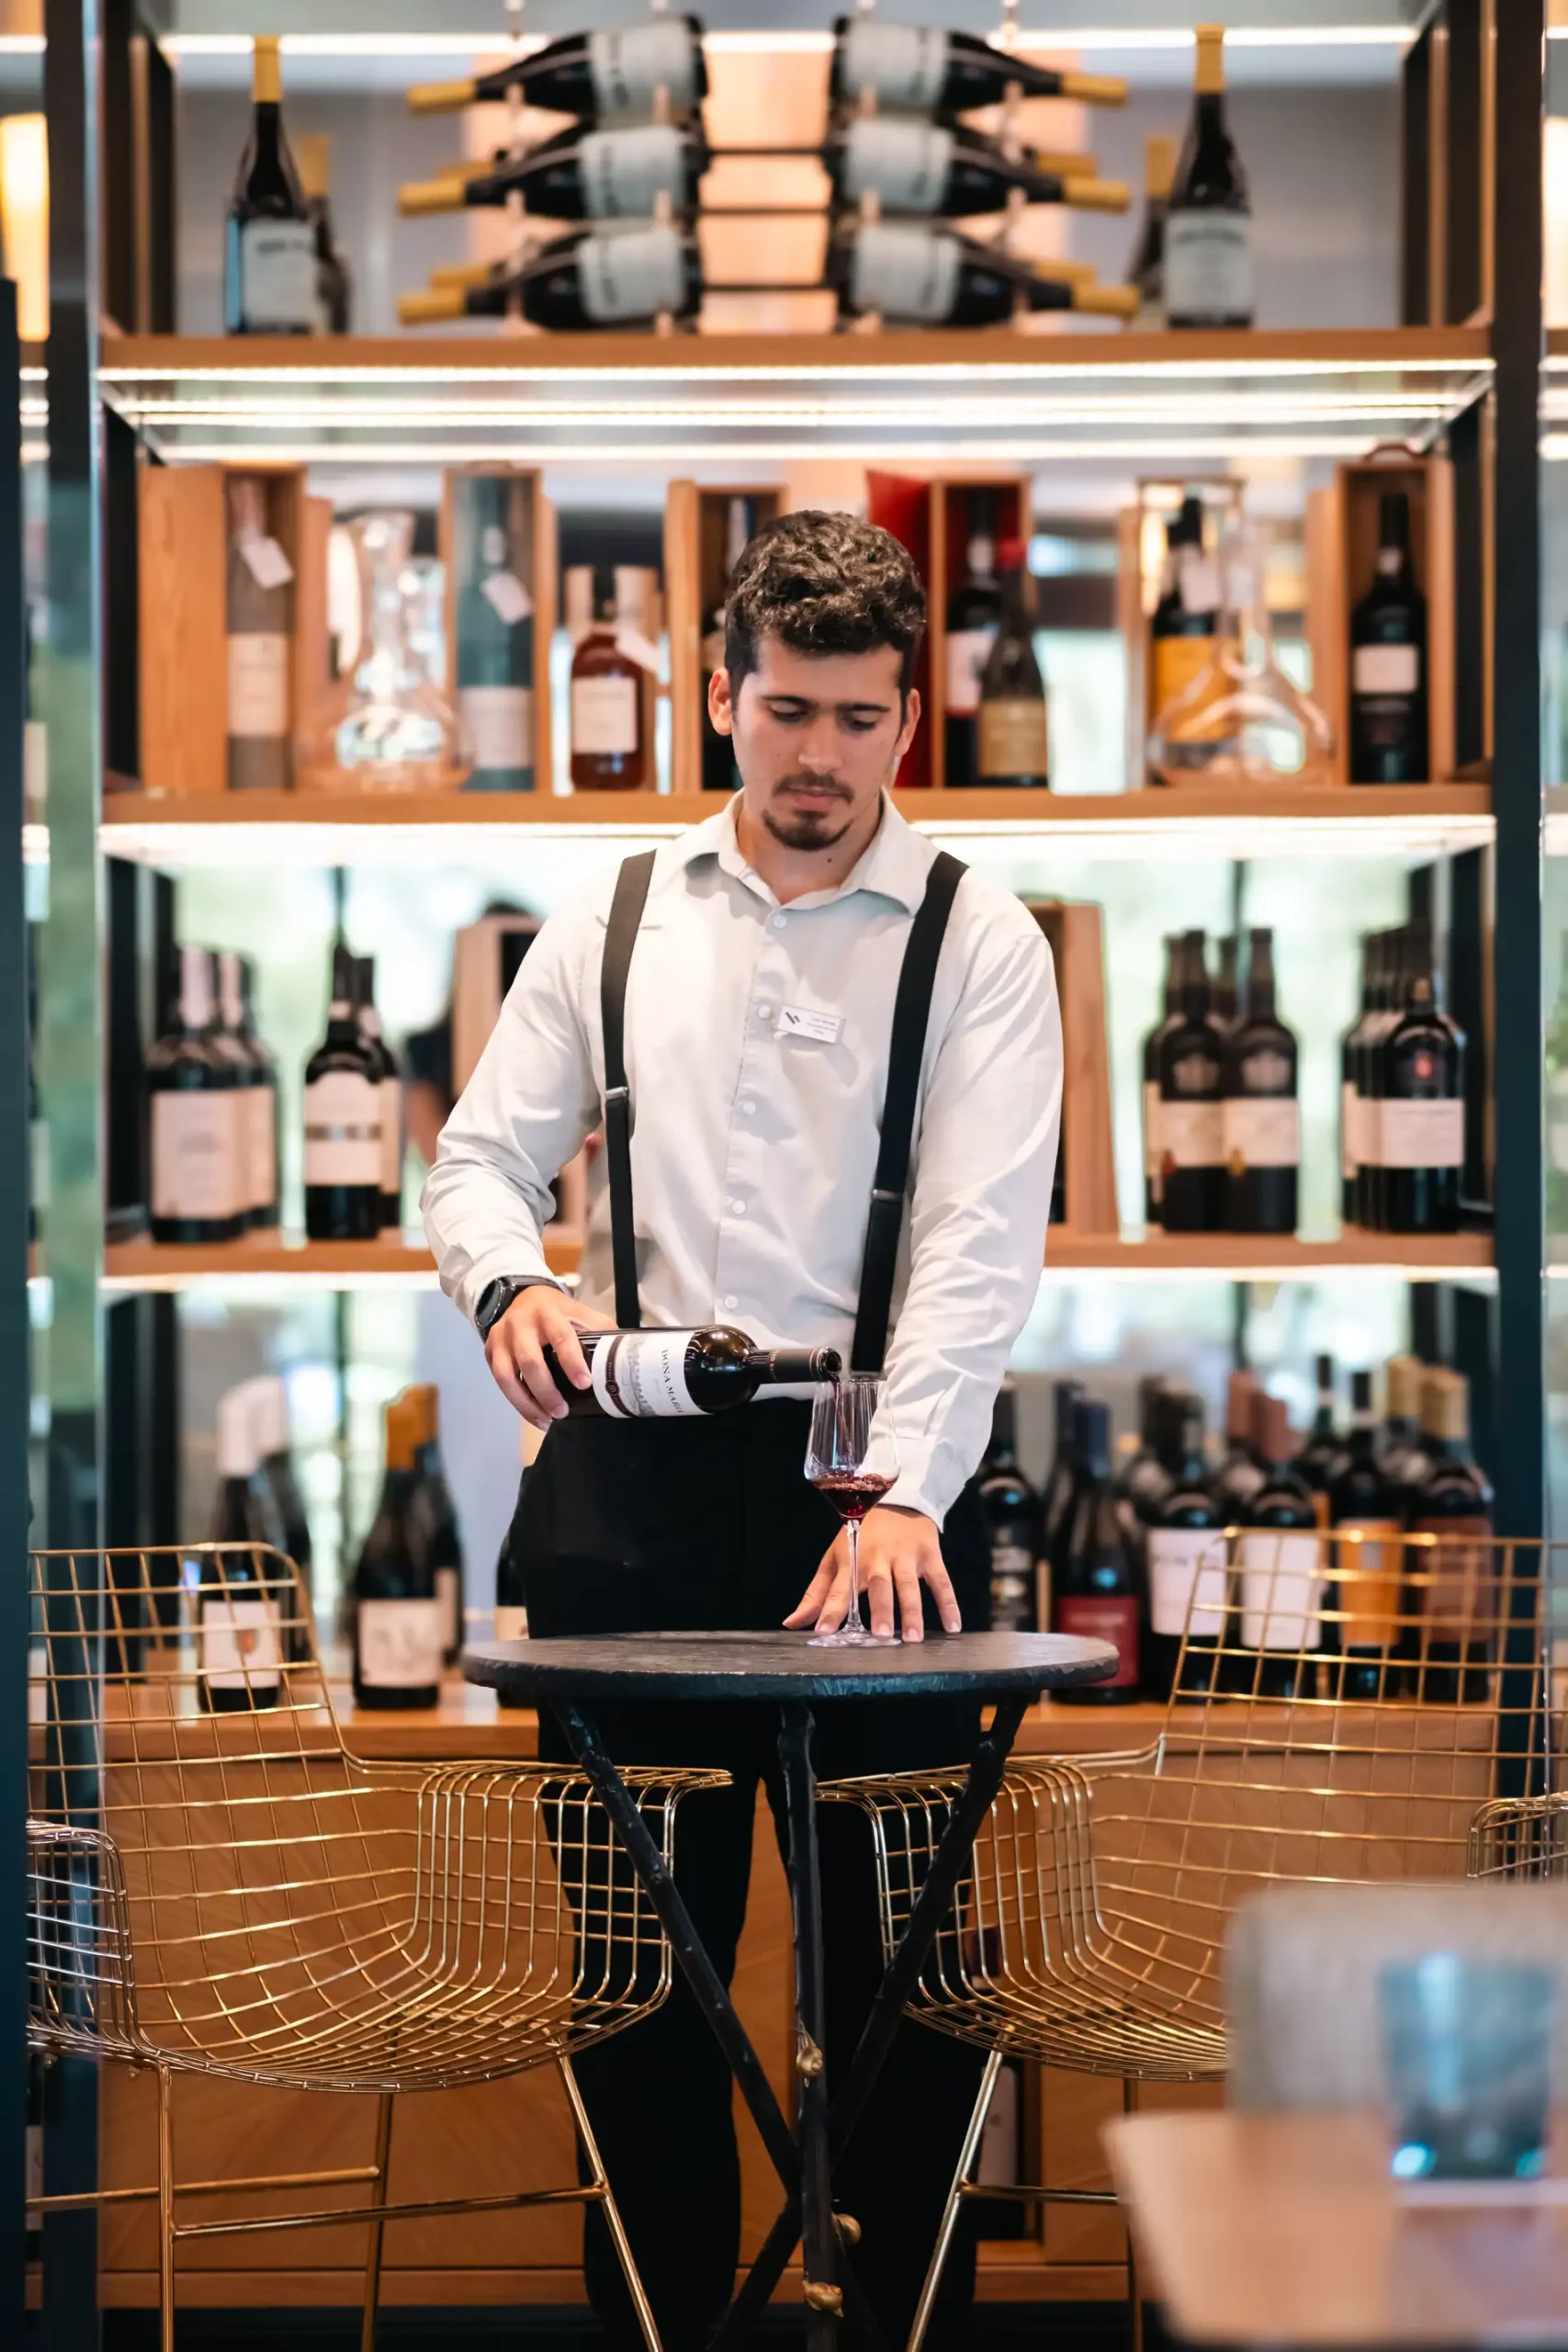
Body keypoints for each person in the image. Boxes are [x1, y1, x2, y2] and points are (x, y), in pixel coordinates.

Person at [423, 509, 1062, 2351]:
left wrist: (904, 1489)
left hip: (874, 1497)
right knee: (638, 1993)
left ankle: (891, 2330)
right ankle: (669, 2332)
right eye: (786, 710)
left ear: (909, 717)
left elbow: (974, 1246)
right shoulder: (613, 912)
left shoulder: (980, 937)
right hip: (622, 1497)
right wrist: (505, 1284)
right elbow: (475, 1160)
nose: (819, 758)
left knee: (906, 1987)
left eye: (859, 719)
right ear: (720, 698)